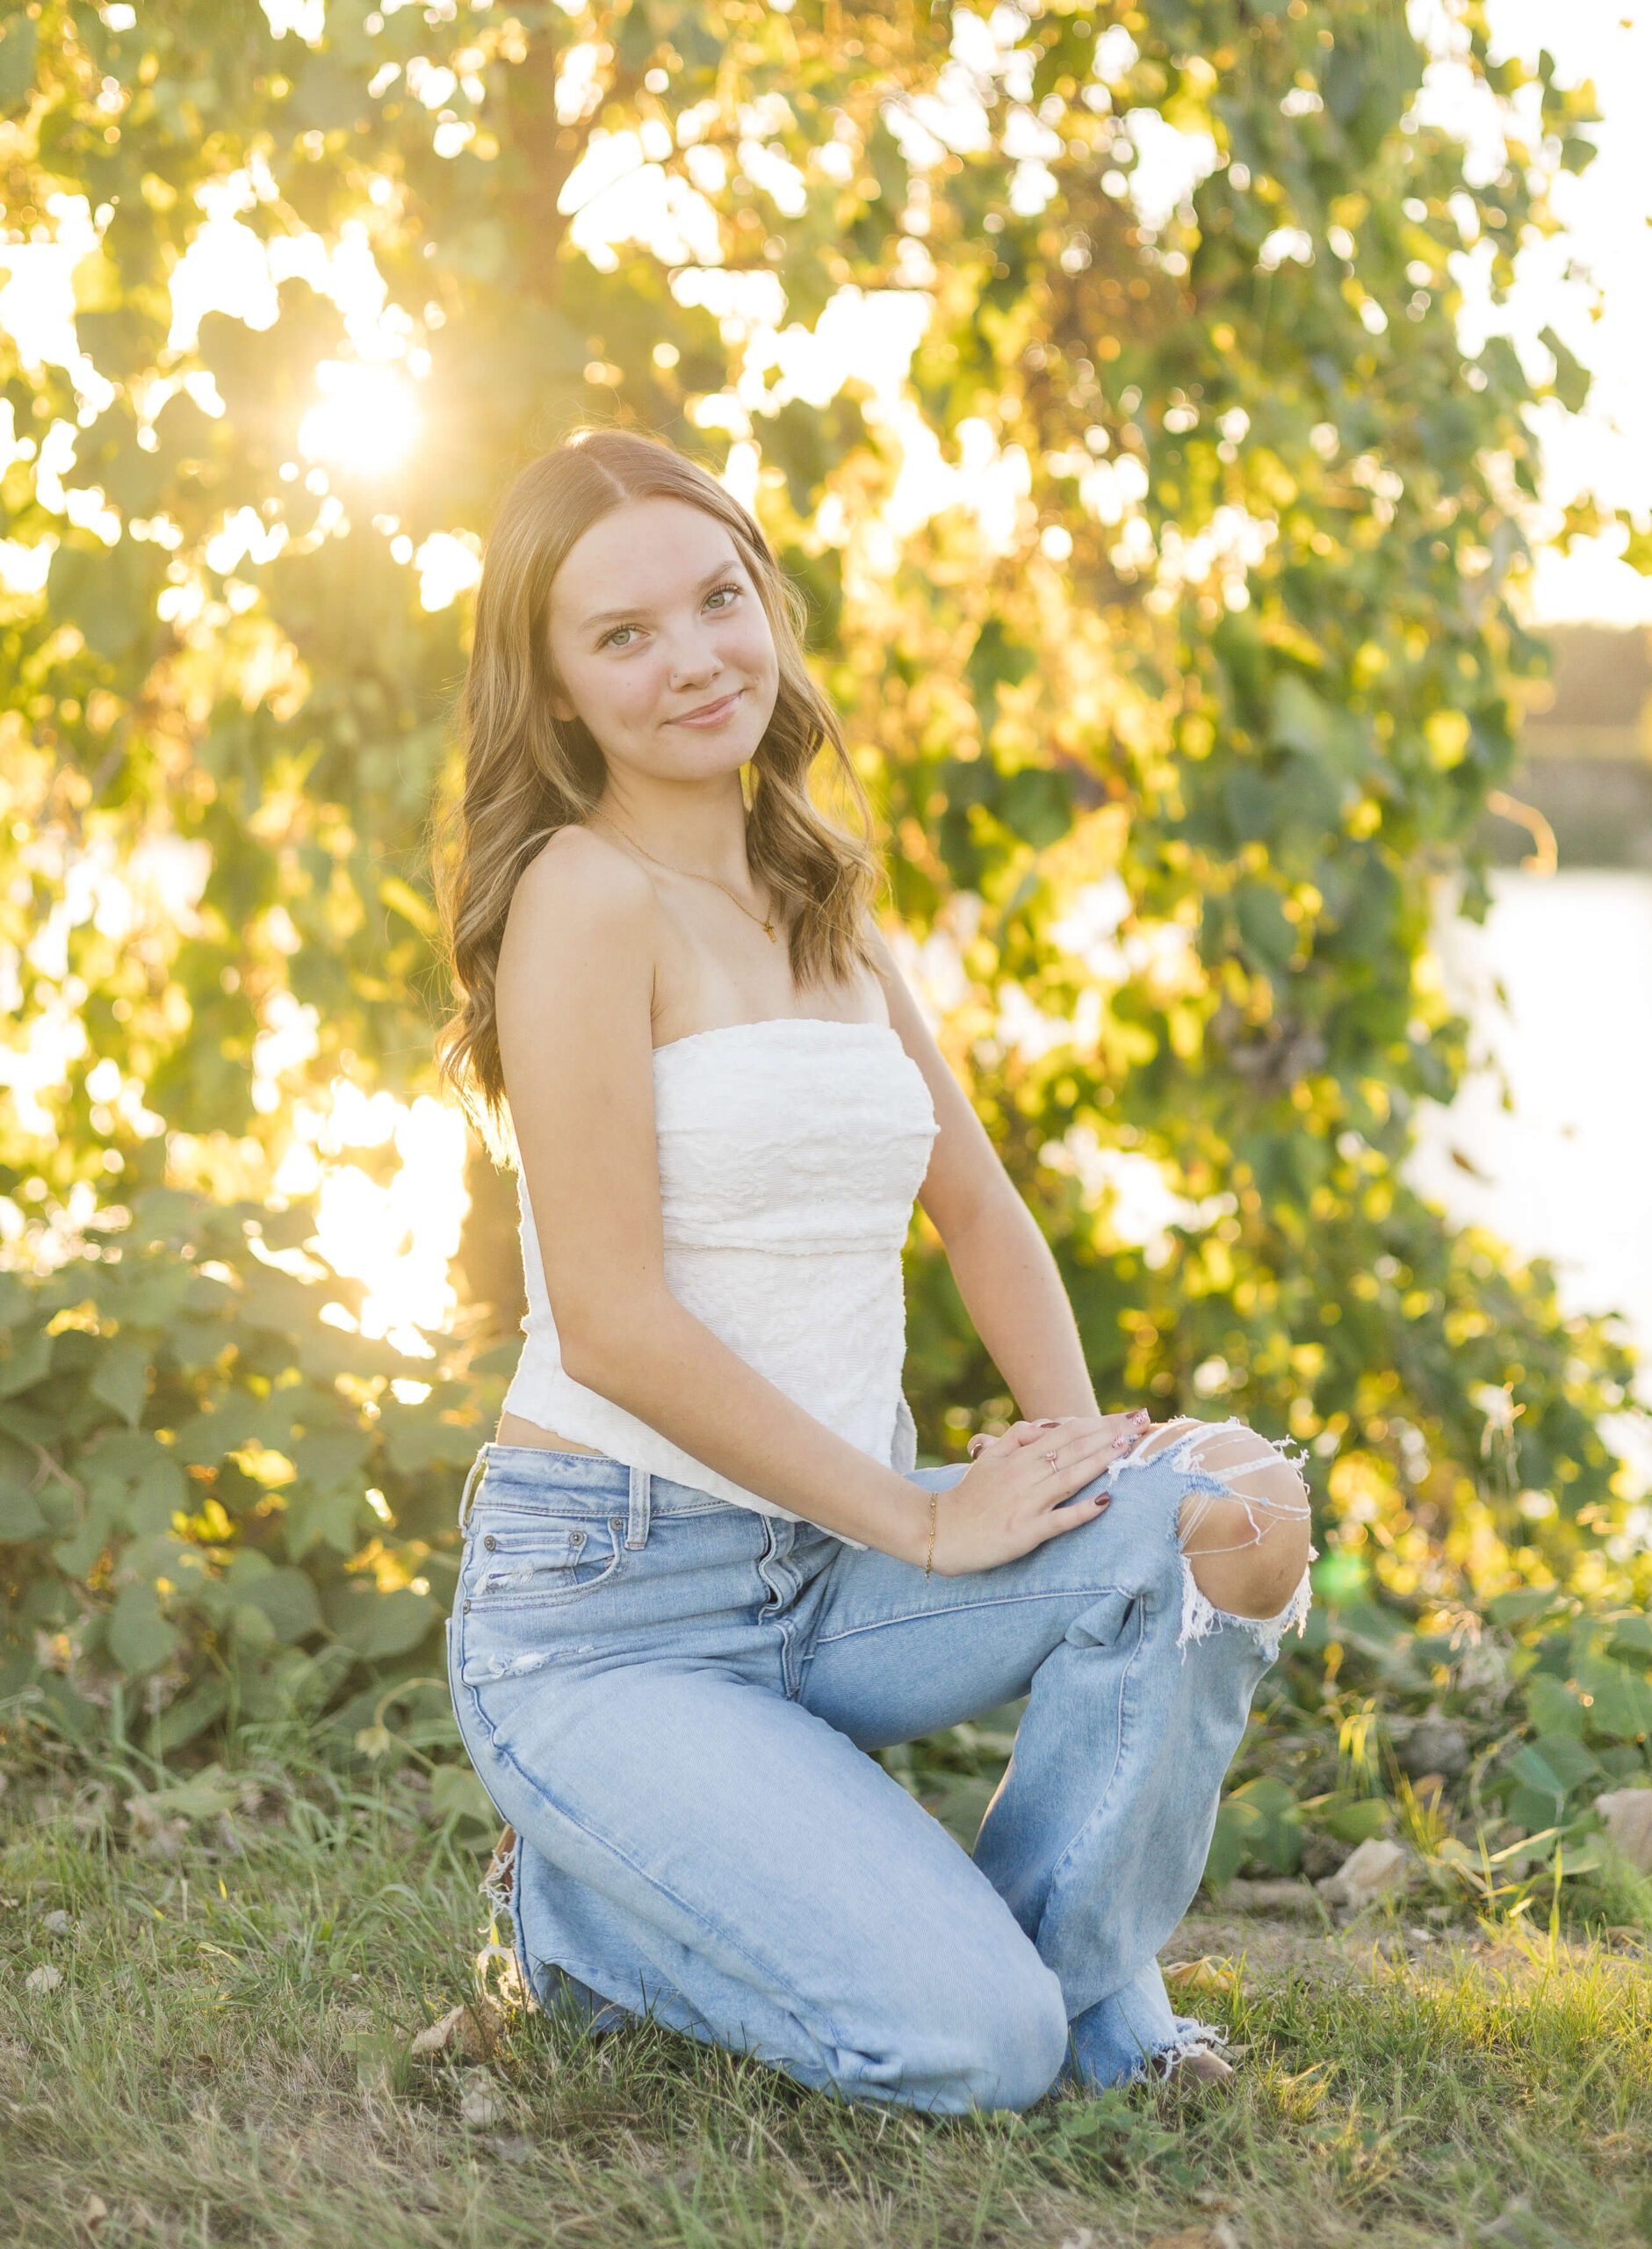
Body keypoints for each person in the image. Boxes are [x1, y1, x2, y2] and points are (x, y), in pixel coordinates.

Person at [431, 426, 1315, 2115]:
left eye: (719, 598)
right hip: (615, 1609)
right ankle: (582, 1931)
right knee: (962, 2050)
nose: (694, 657)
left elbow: (976, 1212)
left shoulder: (824, 901)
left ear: (769, 600)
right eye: (623, 635)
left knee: (1232, 1519)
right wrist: (917, 1515)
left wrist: (1078, 1456)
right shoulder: (579, 899)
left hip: (827, 1574)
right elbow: (612, 1324)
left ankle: (1089, 2006)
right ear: (551, 695)